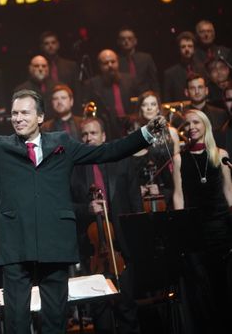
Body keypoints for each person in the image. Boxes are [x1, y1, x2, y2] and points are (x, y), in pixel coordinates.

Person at [0, 89, 165, 334]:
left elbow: (109, 152)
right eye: (14, 113)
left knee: (55, 317)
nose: (18, 118)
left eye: (25, 113)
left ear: (40, 117)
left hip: (54, 239)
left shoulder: (63, 143)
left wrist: (145, 135)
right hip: (16, 241)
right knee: (16, 318)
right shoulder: (0, 146)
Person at [70, 118, 143, 334]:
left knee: (127, 307)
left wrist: (136, 238)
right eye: (84, 134)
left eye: (93, 133)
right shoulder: (73, 168)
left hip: (121, 246)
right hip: (92, 251)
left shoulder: (122, 161)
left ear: (103, 136)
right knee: (100, 311)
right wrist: (86, 209)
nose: (89, 138)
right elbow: (64, 205)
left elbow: (135, 199)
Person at [172, 110, 232, 331]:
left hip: (220, 227)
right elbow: (178, 195)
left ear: (205, 125)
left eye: (196, 122)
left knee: (222, 285)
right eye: (187, 124)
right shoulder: (179, 159)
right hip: (195, 230)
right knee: (200, 287)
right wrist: (180, 226)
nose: (191, 127)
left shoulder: (220, 154)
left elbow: (228, 191)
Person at [127, 91, 180, 208]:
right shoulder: (135, 133)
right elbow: (131, 166)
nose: (149, 108)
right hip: (145, 189)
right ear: (140, 109)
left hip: (170, 185)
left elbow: (177, 164)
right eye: (145, 105)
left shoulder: (172, 132)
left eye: (153, 104)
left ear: (158, 108)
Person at [84, 49, 140, 140]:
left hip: (130, 127)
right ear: (99, 65)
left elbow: (139, 102)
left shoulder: (130, 80)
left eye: (113, 62)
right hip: (108, 131)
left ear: (118, 61)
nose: (110, 65)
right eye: (106, 63)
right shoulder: (92, 84)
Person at [162, 31, 206, 103]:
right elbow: (167, 101)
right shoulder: (170, 74)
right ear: (179, 49)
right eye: (183, 47)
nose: (187, 49)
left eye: (190, 46)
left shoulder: (203, 69)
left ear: (194, 49)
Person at [116, 27, 159, 94]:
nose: (126, 41)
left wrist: (157, 98)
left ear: (135, 41)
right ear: (118, 42)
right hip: (126, 96)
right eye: (123, 39)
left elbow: (154, 81)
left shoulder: (146, 58)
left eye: (129, 38)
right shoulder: (116, 61)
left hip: (145, 96)